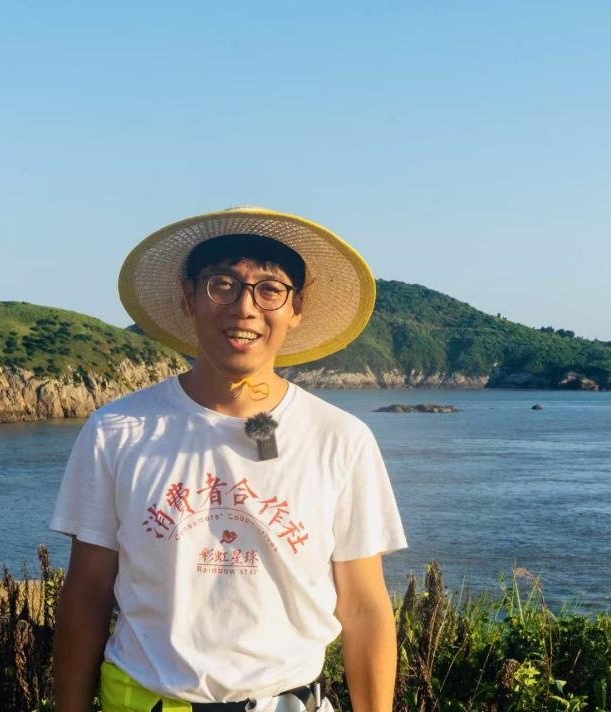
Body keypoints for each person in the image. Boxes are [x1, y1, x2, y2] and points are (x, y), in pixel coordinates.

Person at [49, 206, 408, 712]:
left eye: (270, 289)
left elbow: (364, 606)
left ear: (295, 307)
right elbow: (87, 592)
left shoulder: (340, 439)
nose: (245, 308)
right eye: (222, 284)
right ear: (188, 296)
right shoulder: (117, 431)